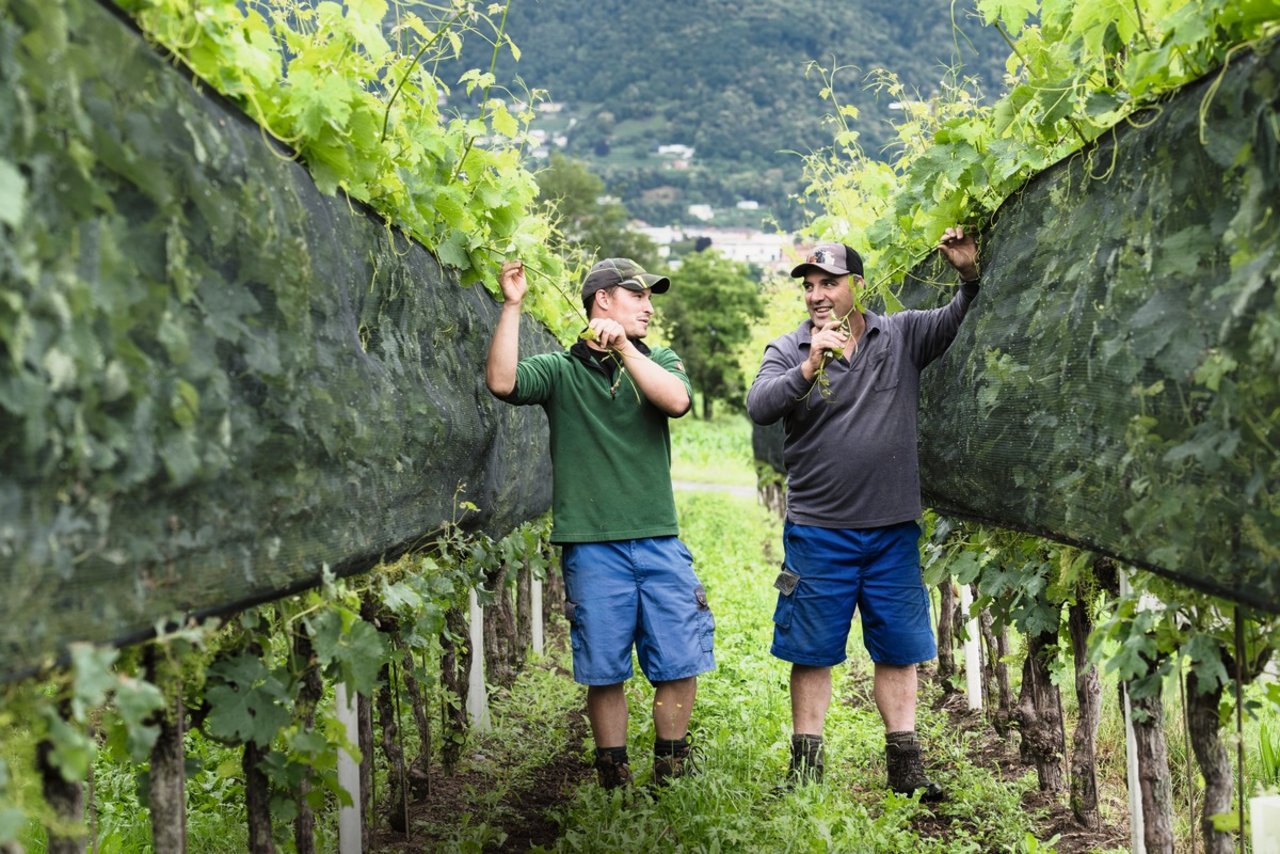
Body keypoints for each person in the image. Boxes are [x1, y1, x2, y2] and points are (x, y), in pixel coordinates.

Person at [745, 229, 980, 801]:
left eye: (830, 283)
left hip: (891, 529)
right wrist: (807, 367)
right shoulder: (787, 347)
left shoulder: (897, 336)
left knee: (899, 648)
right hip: (818, 531)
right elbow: (759, 406)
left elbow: (954, 318)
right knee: (811, 649)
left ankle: (906, 768)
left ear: (857, 287)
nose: (819, 294)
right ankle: (805, 770)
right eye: (811, 285)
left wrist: (969, 275)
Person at [486, 257, 715, 789]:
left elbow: (677, 401)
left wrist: (625, 349)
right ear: (603, 300)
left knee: (679, 657)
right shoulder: (560, 371)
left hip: (659, 540)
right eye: (639, 296)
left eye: (651, 298)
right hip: (591, 546)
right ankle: (613, 774)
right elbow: (501, 381)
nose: (650, 307)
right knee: (604, 667)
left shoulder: (658, 358)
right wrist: (513, 303)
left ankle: (671, 765)